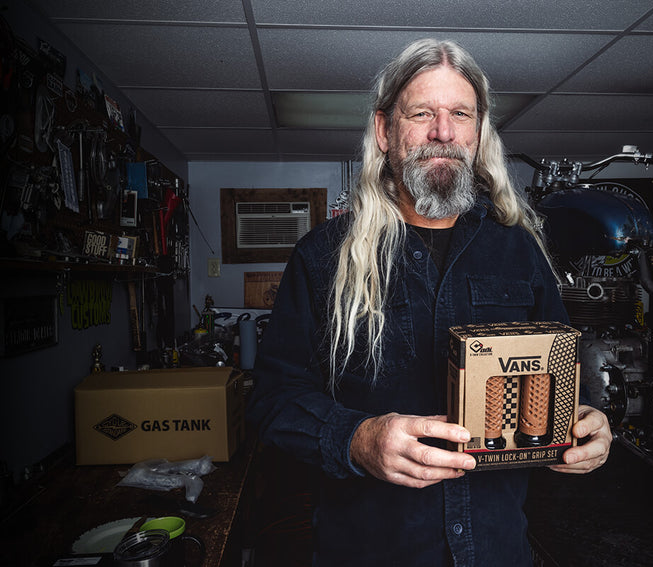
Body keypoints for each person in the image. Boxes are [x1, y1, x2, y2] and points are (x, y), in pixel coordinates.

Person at [248, 38, 612, 566]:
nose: (443, 131)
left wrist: (589, 422)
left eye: (460, 114)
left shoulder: (519, 250)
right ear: (384, 130)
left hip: (498, 550)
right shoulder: (321, 257)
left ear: (478, 132)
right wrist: (358, 439)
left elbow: (564, 374)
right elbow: (272, 401)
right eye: (422, 113)